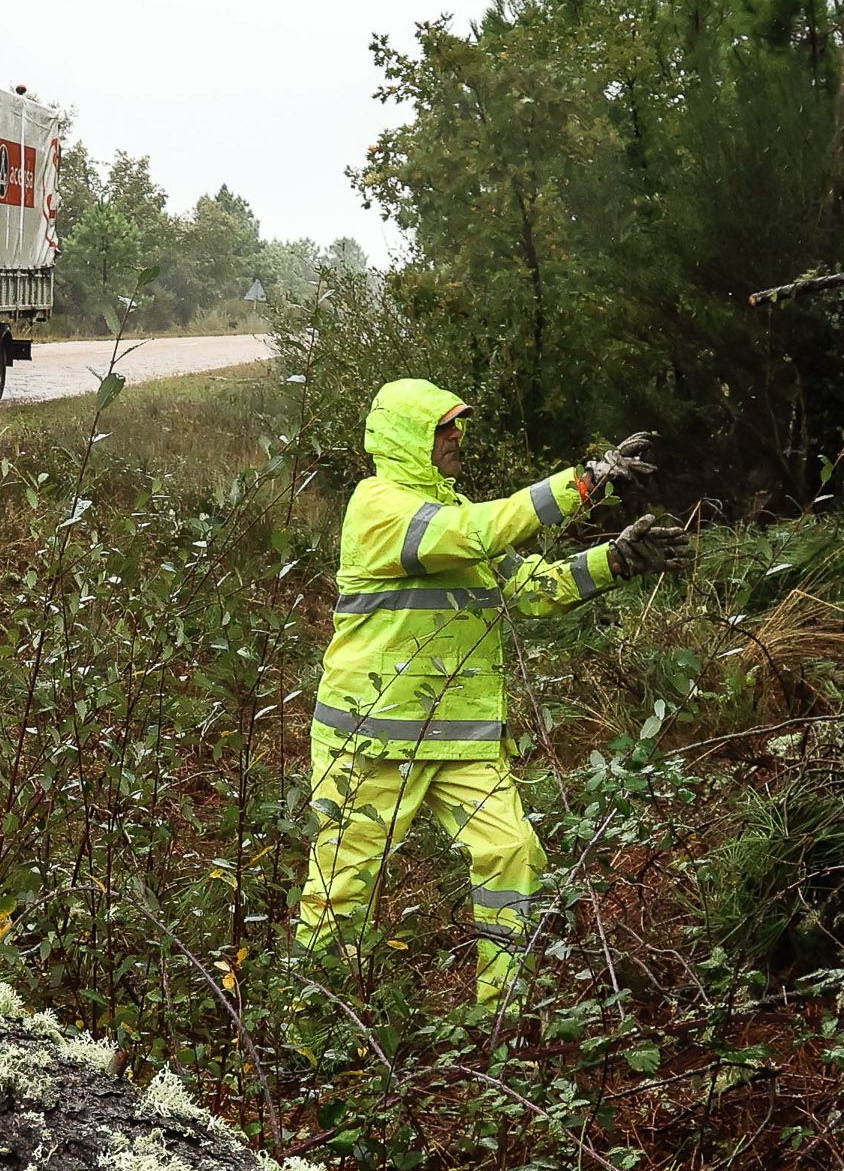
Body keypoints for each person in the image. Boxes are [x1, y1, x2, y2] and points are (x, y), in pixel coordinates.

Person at [297, 378, 693, 1001]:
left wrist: (613, 562)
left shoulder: (449, 512)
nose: (456, 436)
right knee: (344, 886)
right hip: (371, 734)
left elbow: (532, 590)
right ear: (405, 437)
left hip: (456, 739)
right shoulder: (381, 508)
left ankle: (500, 1016)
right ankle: (305, 1032)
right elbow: (480, 533)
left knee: (513, 853)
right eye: (441, 427)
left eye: (458, 425)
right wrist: (582, 484)